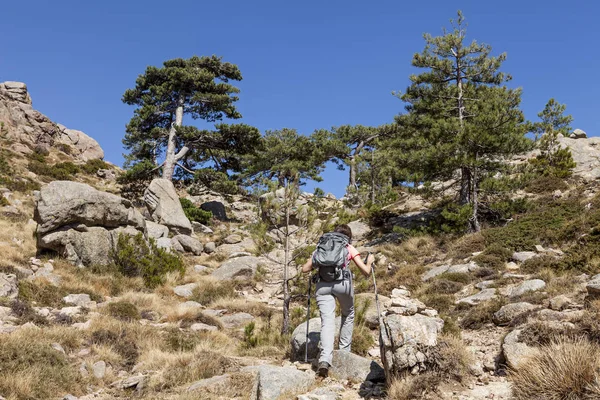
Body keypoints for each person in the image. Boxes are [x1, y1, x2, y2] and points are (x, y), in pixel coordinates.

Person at [302, 224, 375, 377]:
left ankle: (324, 360)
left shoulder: (322, 246)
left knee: (327, 322)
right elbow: (366, 272)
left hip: (322, 286)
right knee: (348, 314)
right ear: (348, 236)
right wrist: (370, 261)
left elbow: (305, 269)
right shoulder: (347, 247)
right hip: (343, 285)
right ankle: (344, 353)